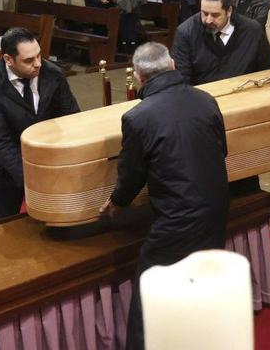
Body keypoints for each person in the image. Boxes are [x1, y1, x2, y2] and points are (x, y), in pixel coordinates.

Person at [102, 42, 230, 350]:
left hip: (177, 218)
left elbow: (131, 174)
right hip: (216, 208)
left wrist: (117, 202)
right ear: (172, 64)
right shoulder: (206, 99)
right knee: (201, 278)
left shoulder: (138, 117)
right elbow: (222, 150)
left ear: (140, 78)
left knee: (151, 285)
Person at [0, 27, 81, 221]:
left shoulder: (53, 74)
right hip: (7, 170)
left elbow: (71, 118)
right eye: (29, 60)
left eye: (39, 56)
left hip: (50, 164)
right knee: (2, 229)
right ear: (8, 59)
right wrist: (32, 180)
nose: (38, 64)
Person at [170, 0, 270, 86]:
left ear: (229, 11)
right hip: (203, 100)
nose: (208, 20)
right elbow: (181, 79)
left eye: (215, 15)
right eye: (205, 13)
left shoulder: (252, 30)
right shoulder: (186, 32)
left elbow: (266, 70)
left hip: (244, 96)